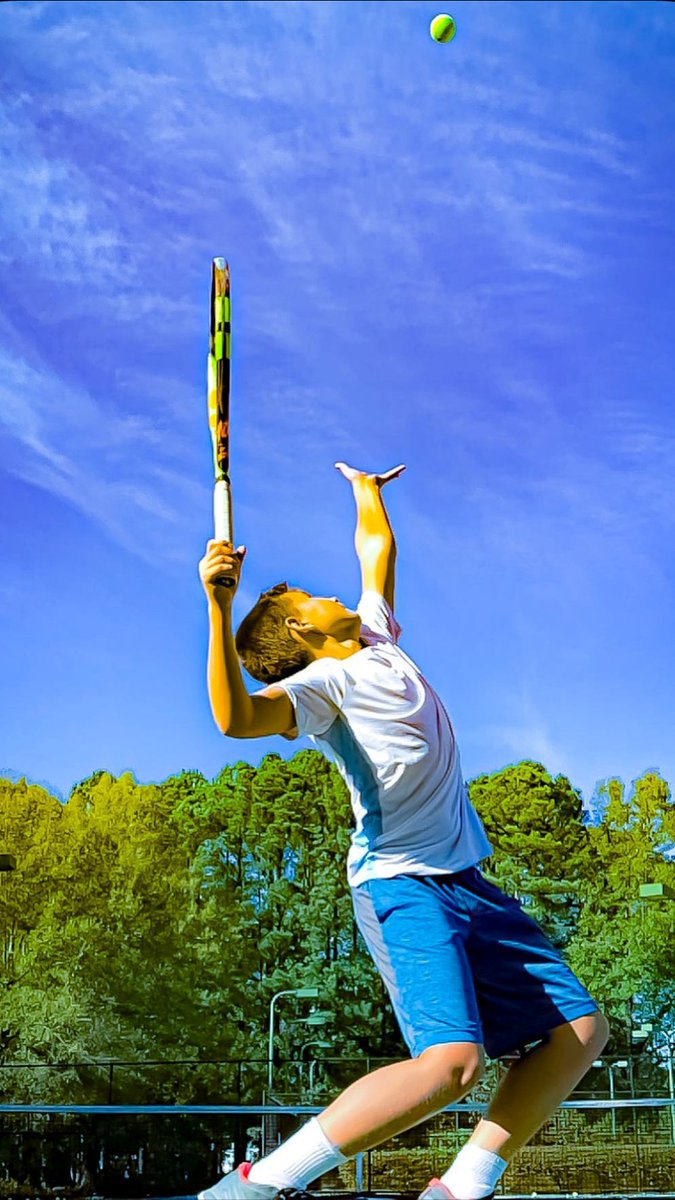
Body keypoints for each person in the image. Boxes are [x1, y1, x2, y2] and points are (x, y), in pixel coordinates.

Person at [196, 462, 609, 1200]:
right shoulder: (318, 688)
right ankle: (256, 1187)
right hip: (401, 884)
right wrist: (218, 607)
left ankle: (460, 1187)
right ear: (299, 628)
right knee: (451, 1066)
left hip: (467, 882)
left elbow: (375, 554)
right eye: (311, 597)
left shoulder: (377, 640)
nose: (331, 594)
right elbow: (235, 720)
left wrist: (365, 493)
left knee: (577, 1032)